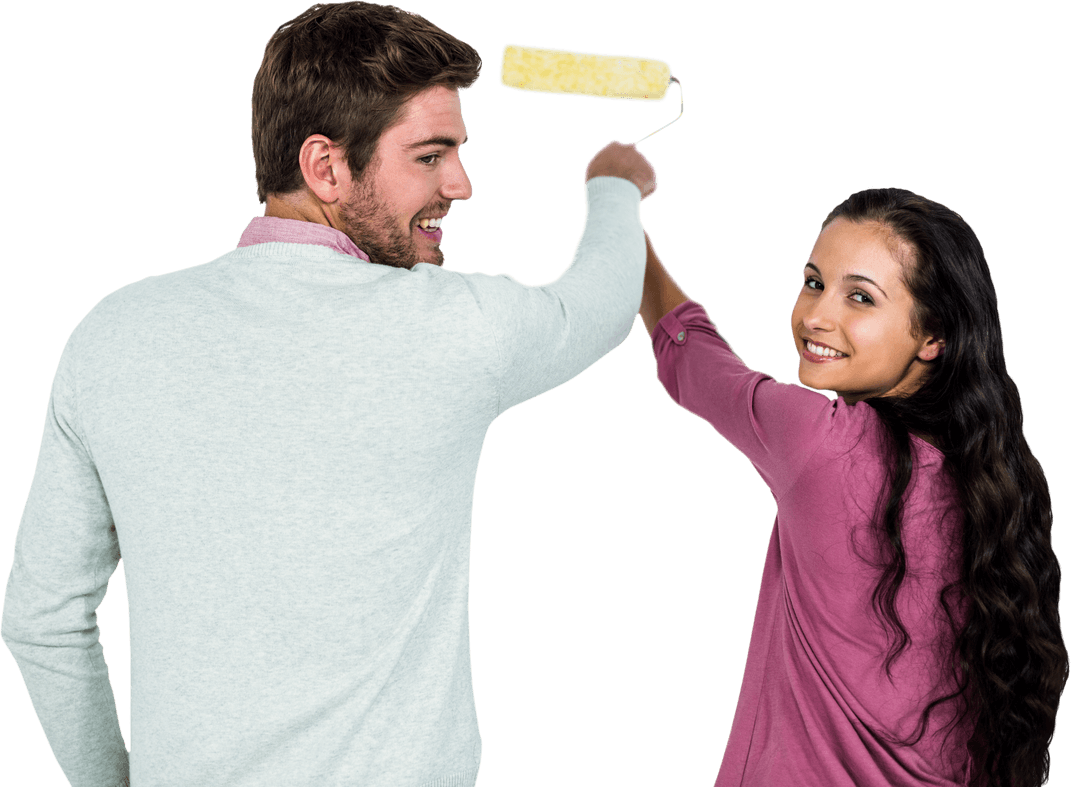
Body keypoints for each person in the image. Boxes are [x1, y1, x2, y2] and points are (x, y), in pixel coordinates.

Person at [0, 3, 657, 786]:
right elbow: (601, 304)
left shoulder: (110, 336)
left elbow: (41, 621)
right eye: (432, 155)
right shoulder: (450, 330)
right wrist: (614, 187)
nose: (463, 184)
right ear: (325, 167)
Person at [639, 188, 1069, 787]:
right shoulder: (996, 486)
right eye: (814, 282)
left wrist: (618, 200)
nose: (817, 316)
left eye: (860, 297)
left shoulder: (822, 444)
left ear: (932, 336)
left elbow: (691, 359)